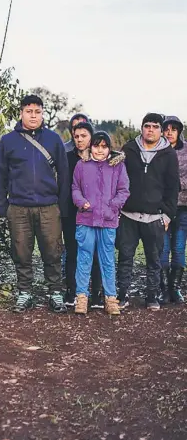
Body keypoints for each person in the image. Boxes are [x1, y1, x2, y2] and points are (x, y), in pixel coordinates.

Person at [0, 94, 70, 313]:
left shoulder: (54, 139)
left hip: (49, 206)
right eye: (29, 111)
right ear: (21, 113)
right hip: (18, 207)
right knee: (21, 252)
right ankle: (24, 293)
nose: (33, 115)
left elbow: (64, 174)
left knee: (53, 252)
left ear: (42, 113)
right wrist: (3, 207)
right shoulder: (8, 141)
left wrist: (61, 207)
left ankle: (55, 293)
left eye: (37, 111)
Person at [117, 113, 180, 310]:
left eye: (155, 126)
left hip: (155, 216)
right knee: (125, 256)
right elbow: (118, 178)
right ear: (141, 128)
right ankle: (122, 295)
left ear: (161, 130)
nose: (150, 129)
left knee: (154, 259)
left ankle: (152, 296)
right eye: (147, 126)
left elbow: (172, 187)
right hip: (128, 214)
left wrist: (167, 215)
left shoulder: (168, 154)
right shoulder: (129, 149)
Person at [71, 132, 130, 315]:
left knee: (107, 259)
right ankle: (81, 297)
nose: (100, 150)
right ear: (91, 147)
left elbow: (123, 190)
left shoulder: (117, 166)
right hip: (86, 219)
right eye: (96, 146)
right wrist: (82, 202)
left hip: (108, 220)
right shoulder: (82, 165)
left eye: (104, 147)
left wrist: (113, 206)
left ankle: (111, 299)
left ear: (109, 149)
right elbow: (75, 188)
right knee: (84, 258)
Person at [62, 120, 105, 308]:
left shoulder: (101, 158)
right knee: (72, 251)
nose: (79, 140)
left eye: (84, 136)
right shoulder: (68, 157)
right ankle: (72, 291)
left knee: (95, 252)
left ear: (91, 136)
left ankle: (96, 292)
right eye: (76, 136)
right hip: (72, 212)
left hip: (95, 212)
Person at [161, 116, 187, 304]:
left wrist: (176, 184)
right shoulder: (157, 150)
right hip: (161, 208)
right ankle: (163, 289)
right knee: (162, 249)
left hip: (183, 207)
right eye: (167, 129)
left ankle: (175, 288)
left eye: (173, 129)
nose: (169, 132)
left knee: (178, 249)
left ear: (179, 132)